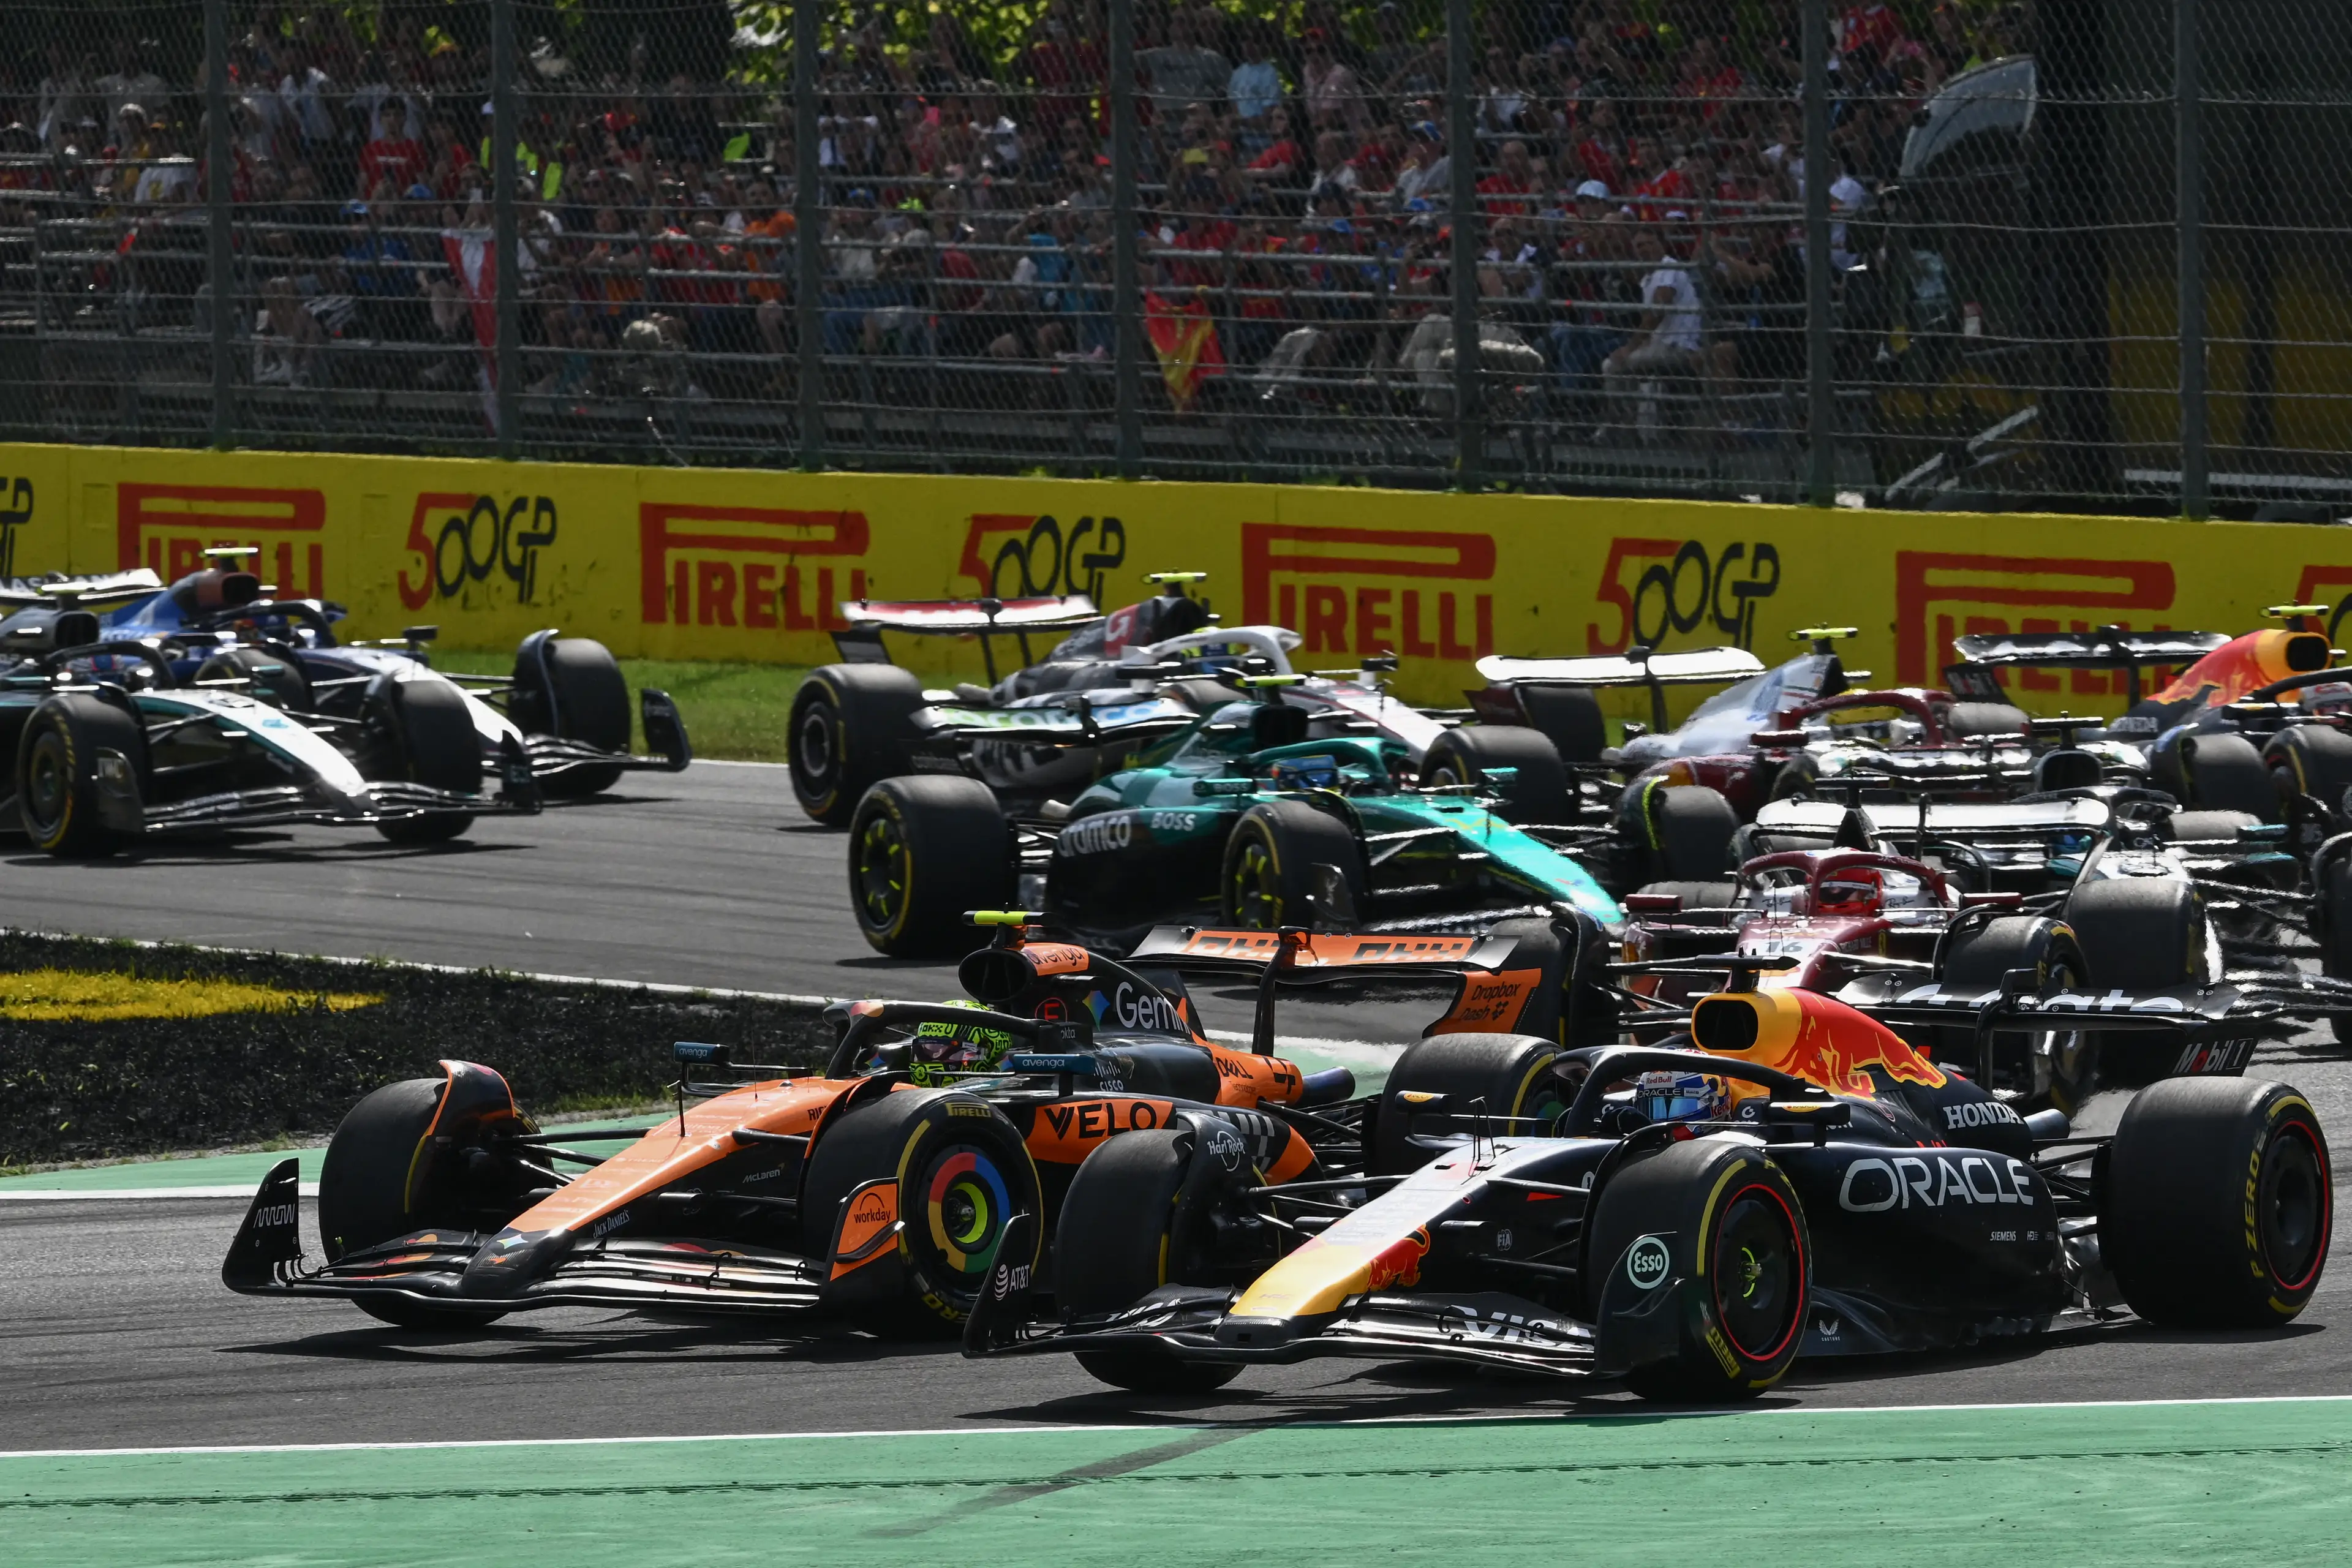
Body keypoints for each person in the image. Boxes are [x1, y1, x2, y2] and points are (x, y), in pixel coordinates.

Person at [1599, 225, 1702, 442]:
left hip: (1678, 347)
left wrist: (1630, 348)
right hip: (1660, 346)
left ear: (1661, 245)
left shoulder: (1669, 267)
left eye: (1649, 243)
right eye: (1639, 246)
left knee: (1612, 366)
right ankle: (1627, 429)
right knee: (1618, 361)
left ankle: (1621, 430)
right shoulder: (1648, 278)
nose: (1644, 249)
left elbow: (1656, 313)